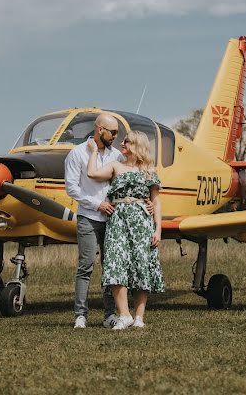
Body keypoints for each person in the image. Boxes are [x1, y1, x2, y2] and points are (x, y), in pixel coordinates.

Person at [86, 130, 164, 330]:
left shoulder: (148, 170)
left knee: (141, 264)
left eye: (127, 141)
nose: (122, 143)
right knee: (114, 263)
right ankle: (124, 314)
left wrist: (158, 230)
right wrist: (94, 151)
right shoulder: (115, 166)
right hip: (118, 220)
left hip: (141, 222)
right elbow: (92, 173)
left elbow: (155, 201)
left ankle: (139, 317)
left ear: (136, 145)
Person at [64, 113, 122, 329]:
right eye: (113, 132)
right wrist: (96, 204)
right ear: (100, 130)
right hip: (88, 217)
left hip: (112, 219)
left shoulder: (118, 155)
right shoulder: (76, 154)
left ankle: (109, 315)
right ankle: (80, 315)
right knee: (85, 265)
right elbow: (72, 188)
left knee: (111, 267)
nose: (116, 136)